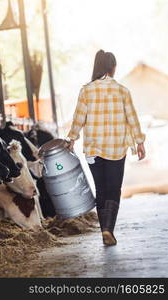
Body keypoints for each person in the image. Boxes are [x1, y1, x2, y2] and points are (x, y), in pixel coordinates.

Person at [67, 50, 146, 246]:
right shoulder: (122, 91)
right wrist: (139, 141)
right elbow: (132, 118)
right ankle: (108, 230)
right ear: (112, 68)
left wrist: (72, 139)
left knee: (101, 189)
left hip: (93, 149)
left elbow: (79, 118)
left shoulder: (86, 90)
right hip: (116, 148)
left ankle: (104, 230)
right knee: (113, 189)